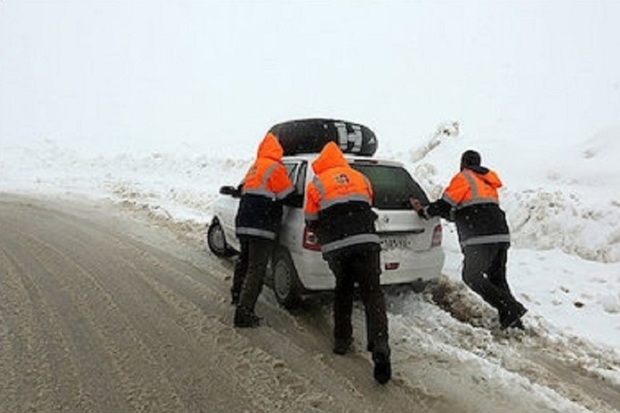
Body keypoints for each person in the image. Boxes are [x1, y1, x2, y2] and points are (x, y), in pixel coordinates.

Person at [304, 141, 391, 385]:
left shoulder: (317, 183)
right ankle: (380, 344)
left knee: (343, 291)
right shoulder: (360, 177)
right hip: (366, 242)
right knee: (373, 294)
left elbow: (310, 218)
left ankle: (342, 341)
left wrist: (323, 225)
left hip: (337, 246)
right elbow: (367, 204)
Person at [410, 149, 527, 330]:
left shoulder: (464, 177)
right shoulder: (486, 181)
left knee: (471, 276)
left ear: (463, 164)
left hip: (481, 237)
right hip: (500, 234)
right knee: (497, 278)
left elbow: (445, 205)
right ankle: (513, 323)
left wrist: (423, 211)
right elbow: (462, 210)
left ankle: (512, 307)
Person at [232, 132, 295, 328]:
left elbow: (241, 189)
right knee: (256, 269)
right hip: (262, 225)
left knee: (244, 261)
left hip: (244, 222)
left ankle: (237, 295)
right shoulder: (276, 167)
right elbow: (287, 195)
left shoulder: (255, 166)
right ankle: (244, 313)